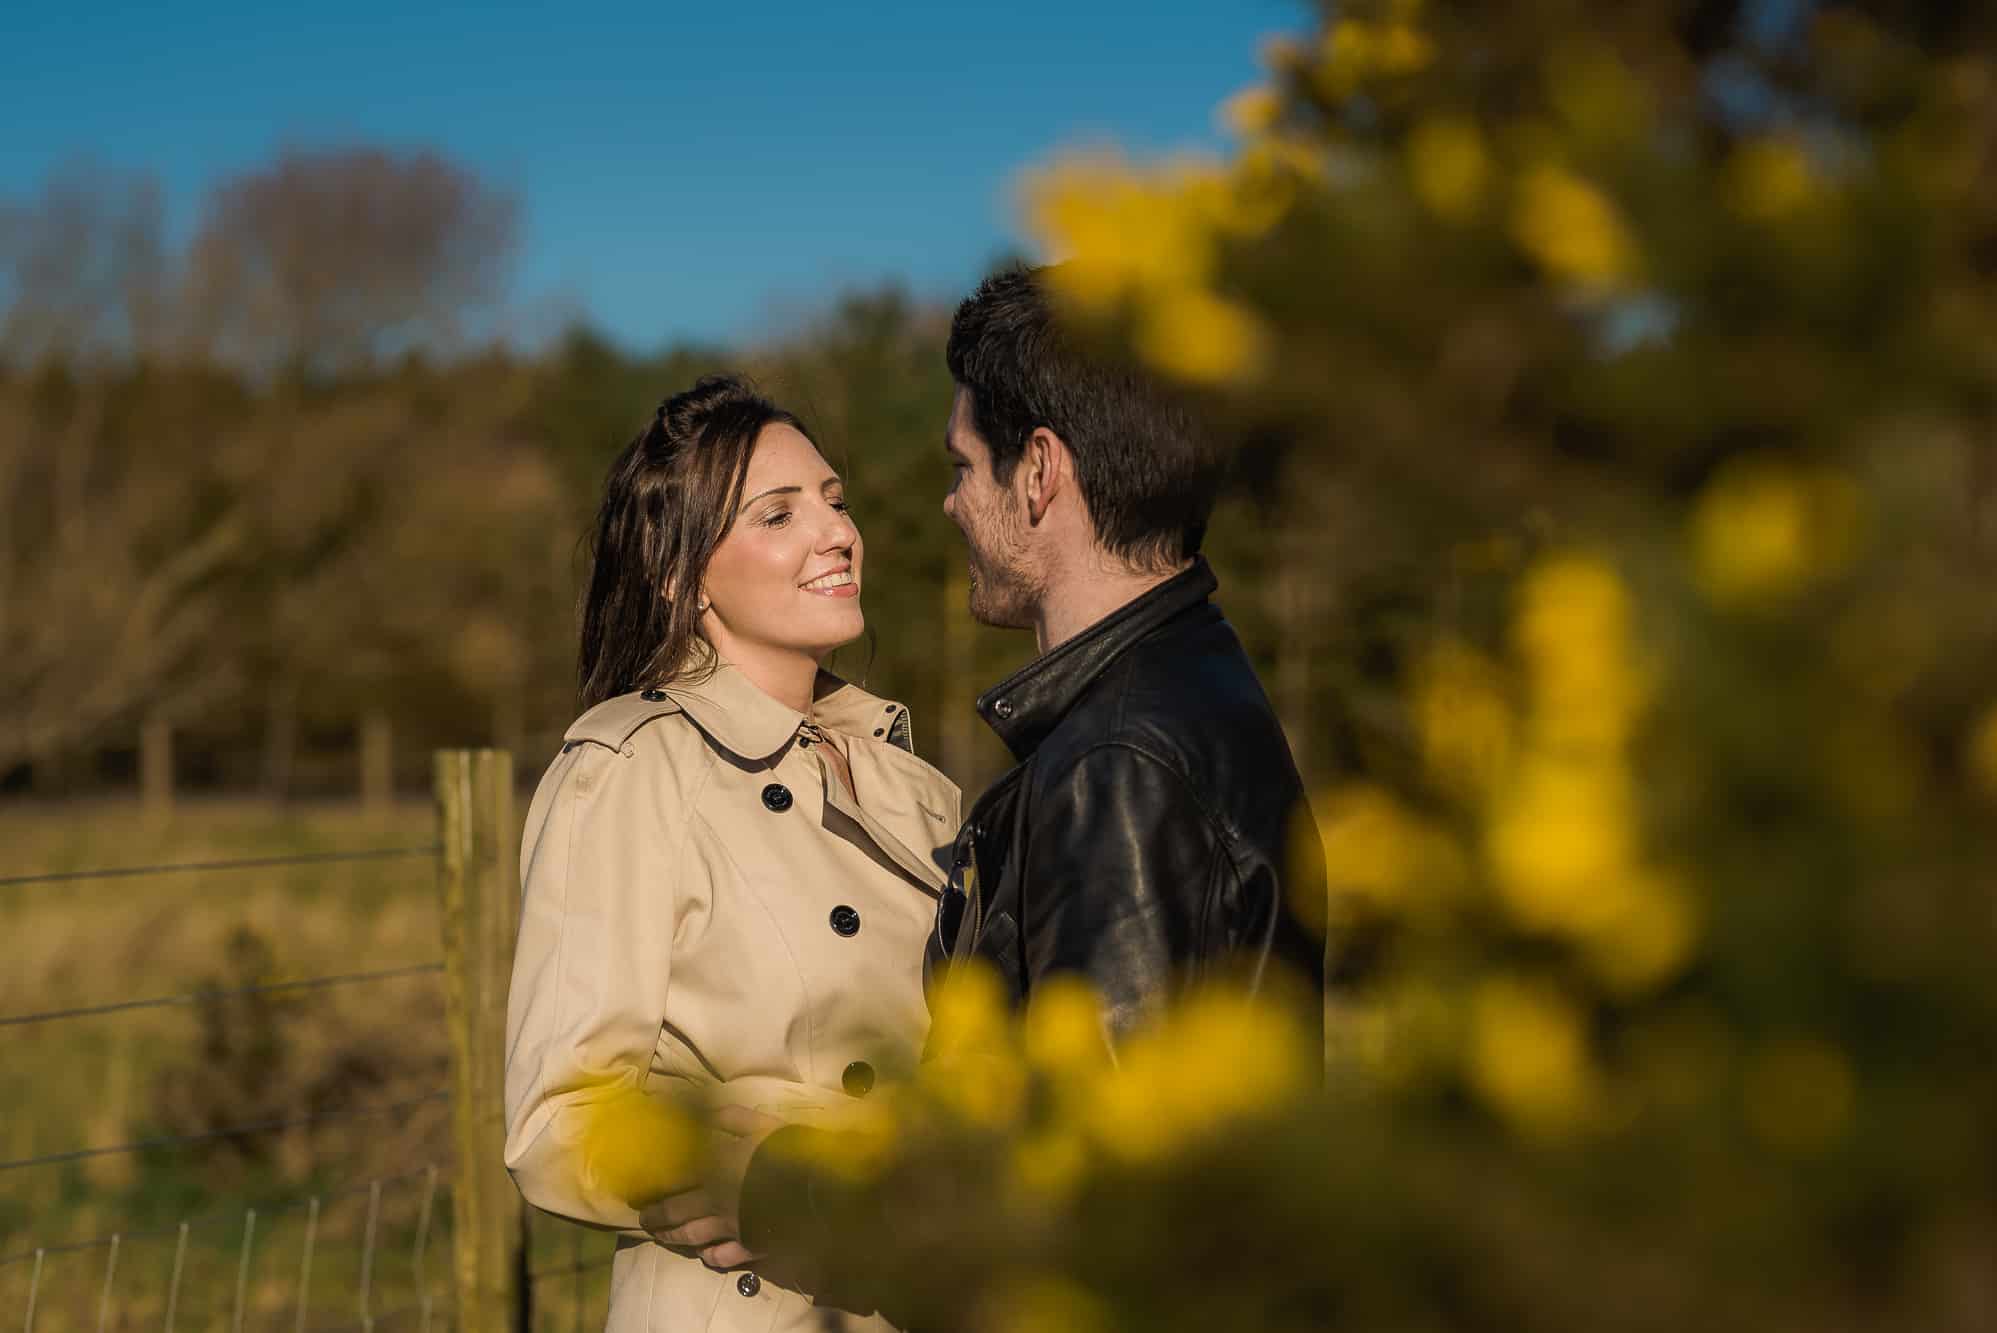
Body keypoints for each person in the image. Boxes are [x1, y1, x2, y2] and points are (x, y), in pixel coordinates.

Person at [655, 267, 1327, 1277]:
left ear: (1039, 474)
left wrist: (784, 1187)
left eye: (964, 465)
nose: (949, 503)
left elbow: (1090, 1193)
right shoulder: (1196, 684)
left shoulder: (1116, 762)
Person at [502, 375, 961, 1333]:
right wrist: (752, 1172)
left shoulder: (912, 784)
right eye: (777, 514)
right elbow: (557, 1118)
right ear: (679, 574)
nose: (836, 534)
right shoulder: (632, 768)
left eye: (834, 502)